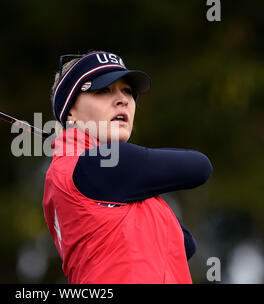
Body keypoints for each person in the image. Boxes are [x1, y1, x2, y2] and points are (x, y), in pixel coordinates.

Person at [42, 51, 213, 283]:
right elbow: (200, 167)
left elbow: (185, 244)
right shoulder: (101, 163)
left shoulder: (89, 170)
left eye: (128, 91)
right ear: (70, 110)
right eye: (103, 90)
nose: (122, 99)